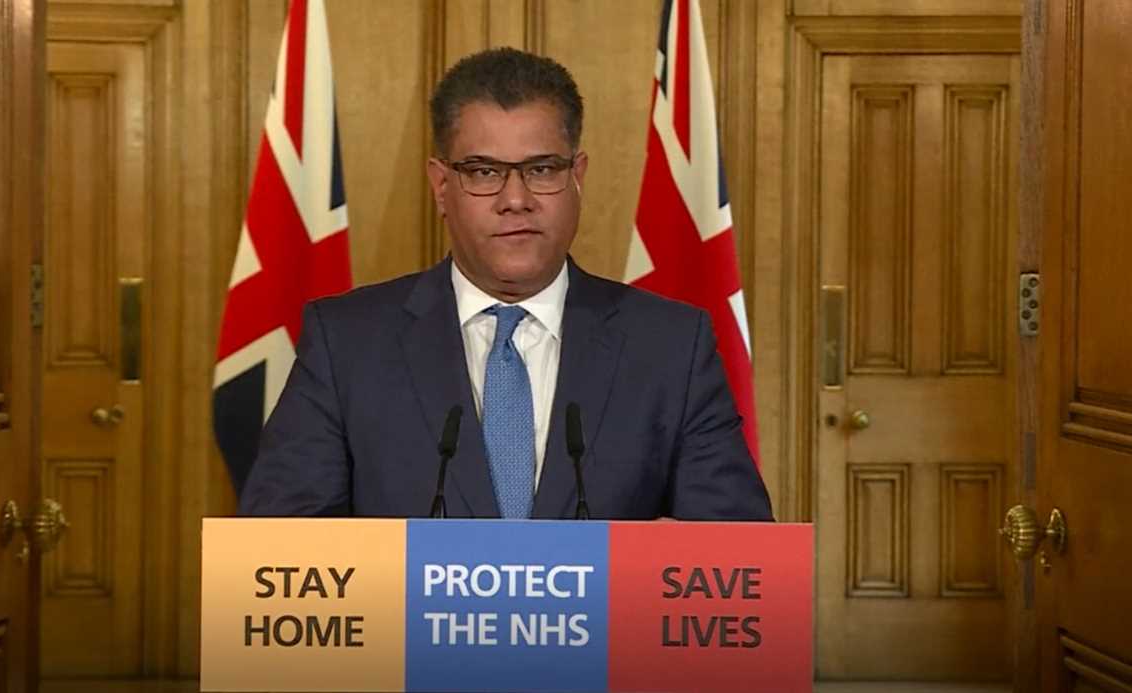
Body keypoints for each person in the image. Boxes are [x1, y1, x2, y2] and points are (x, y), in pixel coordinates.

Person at [239, 47, 772, 521]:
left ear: (577, 177)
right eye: (483, 171)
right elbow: (281, 546)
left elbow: (736, 559)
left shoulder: (672, 346)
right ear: (441, 186)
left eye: (541, 169)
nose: (515, 198)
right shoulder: (347, 342)